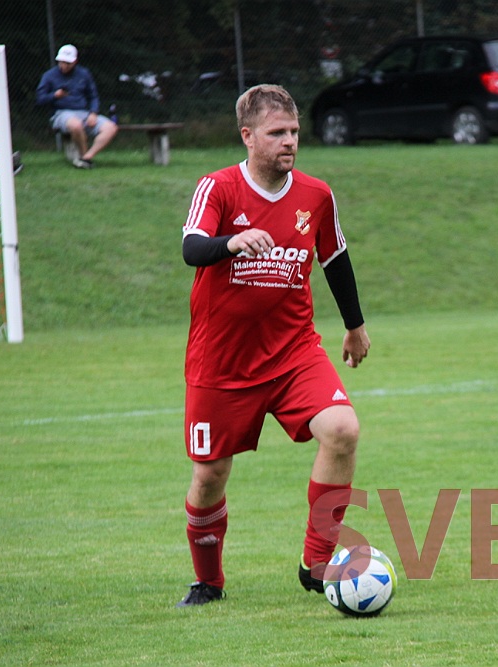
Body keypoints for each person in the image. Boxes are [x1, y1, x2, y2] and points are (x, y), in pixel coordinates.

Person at [176, 84, 371, 607]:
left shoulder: (316, 195)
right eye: (277, 133)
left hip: (294, 353)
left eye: (294, 132)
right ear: (248, 136)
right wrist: (231, 243)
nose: (289, 142)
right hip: (221, 363)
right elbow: (192, 247)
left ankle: (317, 564)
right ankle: (208, 582)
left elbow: (336, 259)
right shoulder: (218, 188)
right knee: (210, 476)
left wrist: (354, 325)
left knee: (343, 429)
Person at [35, 44, 118, 168]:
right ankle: (84, 156)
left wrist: (93, 113)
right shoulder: (49, 76)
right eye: (62, 62)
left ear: (75, 62)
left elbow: (93, 96)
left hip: (84, 112)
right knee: (76, 125)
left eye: (68, 63)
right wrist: (54, 95)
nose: (64, 66)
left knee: (111, 128)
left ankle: (87, 158)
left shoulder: (84, 74)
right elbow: (40, 99)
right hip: (61, 113)